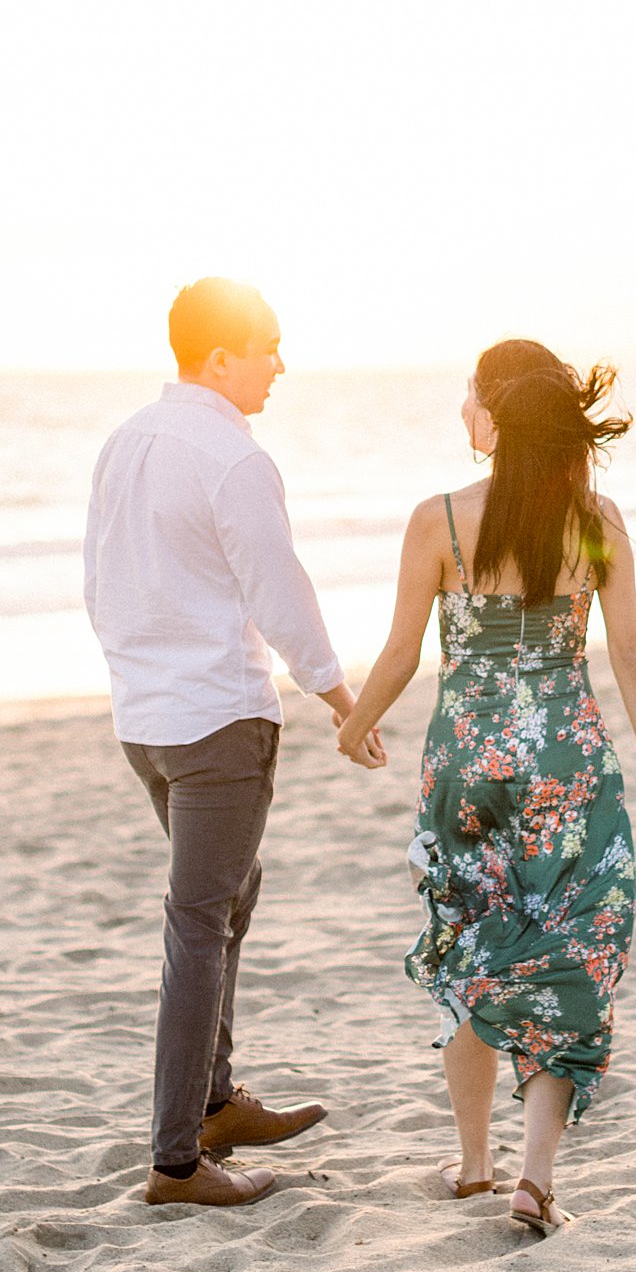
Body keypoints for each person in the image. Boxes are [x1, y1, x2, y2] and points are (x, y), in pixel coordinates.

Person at [333, 339, 636, 1237]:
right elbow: (632, 657)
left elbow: (403, 653)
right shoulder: (595, 519)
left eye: (470, 399)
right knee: (566, 955)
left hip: (470, 770)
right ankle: (533, 1178)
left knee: (474, 952)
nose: (462, 412)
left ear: (497, 424)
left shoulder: (438, 520)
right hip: (570, 767)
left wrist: (351, 720)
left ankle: (474, 1162)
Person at [84, 277, 385, 1210]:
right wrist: (344, 698)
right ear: (219, 357)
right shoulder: (231, 458)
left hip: (147, 721)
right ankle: (177, 1162)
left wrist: (137, 677)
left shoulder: (124, 441)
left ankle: (215, 1103)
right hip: (215, 719)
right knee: (199, 924)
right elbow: (278, 592)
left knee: (227, 899)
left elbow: (101, 580)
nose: (280, 366)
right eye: (268, 348)